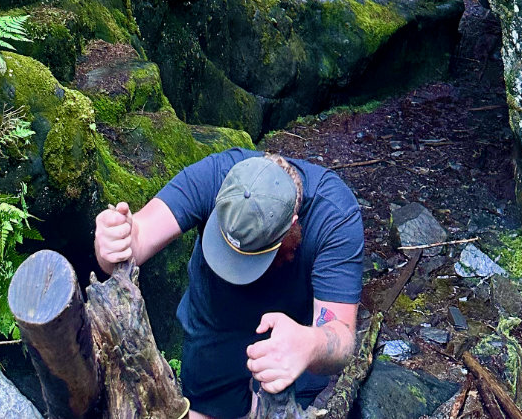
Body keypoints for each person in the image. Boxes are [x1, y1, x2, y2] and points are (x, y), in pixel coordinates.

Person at [94, 147, 364, 419]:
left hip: (293, 334)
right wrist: (114, 241)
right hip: (215, 319)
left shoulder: (333, 215)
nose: (234, 266)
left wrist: (311, 343)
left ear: (291, 225)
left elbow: (340, 334)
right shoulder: (214, 175)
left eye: (250, 256)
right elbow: (137, 240)